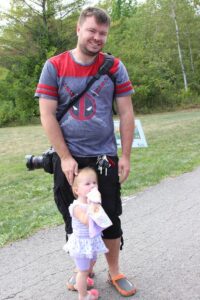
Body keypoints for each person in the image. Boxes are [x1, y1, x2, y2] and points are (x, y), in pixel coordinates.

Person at [35, 6, 136, 297]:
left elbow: (126, 113)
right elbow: (47, 115)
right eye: (92, 30)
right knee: (74, 215)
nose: (97, 37)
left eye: (102, 33)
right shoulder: (54, 66)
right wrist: (65, 157)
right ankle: (84, 268)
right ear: (78, 29)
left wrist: (125, 155)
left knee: (109, 216)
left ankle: (115, 272)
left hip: (104, 155)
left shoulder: (114, 67)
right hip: (70, 158)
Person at [64, 167, 110, 300]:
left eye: (94, 183)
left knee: (92, 261)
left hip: (92, 240)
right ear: (77, 190)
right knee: (82, 271)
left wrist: (95, 205)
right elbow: (86, 220)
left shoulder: (93, 203)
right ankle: (83, 295)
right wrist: (93, 204)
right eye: (87, 184)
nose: (92, 186)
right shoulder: (77, 207)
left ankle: (83, 282)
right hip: (82, 243)